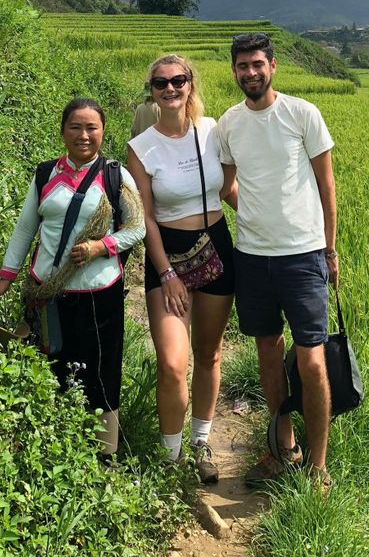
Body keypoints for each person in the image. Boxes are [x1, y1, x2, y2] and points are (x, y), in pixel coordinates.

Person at [0, 97, 145, 457]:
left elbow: (137, 229)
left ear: (103, 132)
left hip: (98, 294)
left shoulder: (115, 176)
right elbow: (25, 228)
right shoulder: (45, 174)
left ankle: (104, 453)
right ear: (62, 131)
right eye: (75, 127)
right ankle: (54, 444)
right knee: (51, 363)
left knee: (100, 370)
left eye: (91, 128)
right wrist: (7, 277)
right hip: (48, 293)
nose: (83, 135)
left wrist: (101, 246)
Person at [216, 32, 338, 495]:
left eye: (257, 64)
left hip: (303, 256)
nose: (250, 72)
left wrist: (329, 249)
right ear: (234, 70)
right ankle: (283, 447)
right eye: (242, 65)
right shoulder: (229, 123)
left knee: (312, 359)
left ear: (273, 66)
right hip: (252, 257)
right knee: (267, 348)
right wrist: (252, 213)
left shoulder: (302, 113)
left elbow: (327, 185)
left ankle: (318, 467)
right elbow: (227, 186)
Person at [127, 55, 237, 483]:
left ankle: (201, 442)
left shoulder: (211, 131)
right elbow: (145, 217)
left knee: (209, 353)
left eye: (178, 80)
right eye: (160, 83)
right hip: (167, 254)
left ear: (190, 84)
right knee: (173, 363)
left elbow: (229, 188)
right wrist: (167, 274)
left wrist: (277, 224)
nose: (170, 88)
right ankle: (170, 458)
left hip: (216, 245)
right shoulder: (142, 148)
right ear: (152, 91)